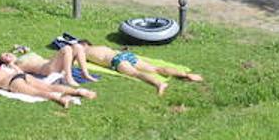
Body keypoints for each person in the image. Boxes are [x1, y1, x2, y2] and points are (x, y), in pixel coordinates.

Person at [76, 40, 204, 95]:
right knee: (156, 68)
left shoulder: (84, 51)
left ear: (83, 45)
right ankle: (185, 75)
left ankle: (159, 84)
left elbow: (76, 59)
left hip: (116, 60)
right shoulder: (102, 46)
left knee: (136, 74)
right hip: (124, 54)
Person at [0, 59, 97, 109]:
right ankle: (79, 91)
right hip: (21, 75)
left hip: (12, 82)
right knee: (48, 86)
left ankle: (58, 98)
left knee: (37, 93)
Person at [9, 45, 99, 87]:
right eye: (6, 56)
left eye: (8, 54)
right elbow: (18, 73)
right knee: (66, 49)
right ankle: (68, 77)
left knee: (78, 47)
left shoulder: (25, 56)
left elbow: (23, 48)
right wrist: (11, 64)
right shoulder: (17, 64)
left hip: (52, 64)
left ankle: (85, 74)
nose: (8, 55)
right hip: (46, 69)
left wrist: (18, 48)